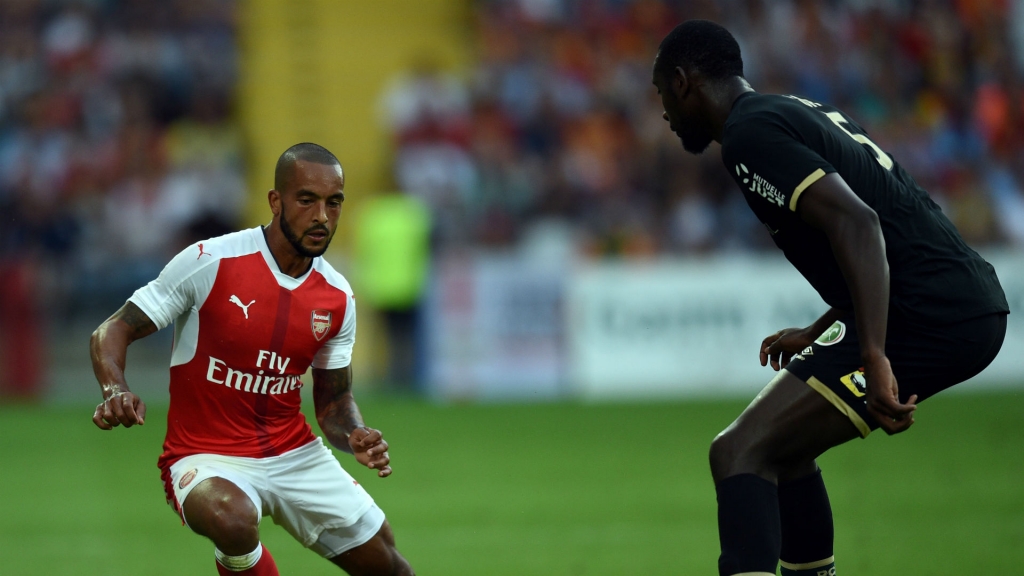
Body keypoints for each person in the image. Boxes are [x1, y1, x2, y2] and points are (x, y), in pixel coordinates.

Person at [652, 20, 1009, 576]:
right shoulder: (790, 110)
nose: (665, 117)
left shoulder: (750, 136)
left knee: (737, 452)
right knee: (784, 453)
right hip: (950, 299)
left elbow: (861, 224)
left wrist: (873, 353)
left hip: (935, 317)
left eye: (661, 97)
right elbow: (890, 227)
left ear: (682, 82)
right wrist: (823, 329)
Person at [90, 142, 415, 576]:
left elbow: (334, 403)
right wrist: (116, 387)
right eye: (307, 200)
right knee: (233, 518)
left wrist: (354, 433)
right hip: (205, 455)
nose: (321, 216)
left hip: (294, 453)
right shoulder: (211, 262)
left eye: (333, 203)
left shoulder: (337, 297)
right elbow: (114, 329)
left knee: (391, 567)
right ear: (275, 201)